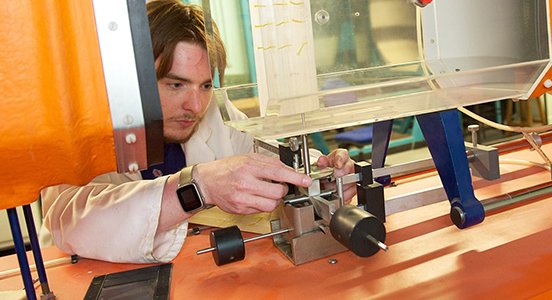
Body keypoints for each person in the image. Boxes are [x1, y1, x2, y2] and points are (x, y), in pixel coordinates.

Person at [40, 0, 356, 263]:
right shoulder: (83, 127)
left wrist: (317, 173)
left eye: (205, 85)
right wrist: (197, 189)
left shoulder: (212, 110)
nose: (195, 104)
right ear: (133, 77)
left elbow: (258, 154)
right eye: (176, 84)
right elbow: (68, 221)